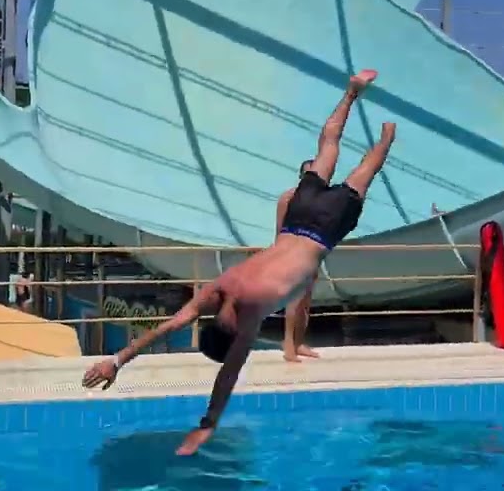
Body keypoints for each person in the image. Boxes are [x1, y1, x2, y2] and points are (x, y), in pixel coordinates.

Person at [81, 69, 396, 456]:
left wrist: (207, 425)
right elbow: (170, 325)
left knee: (365, 171)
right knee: (327, 145)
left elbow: (227, 375)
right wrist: (116, 360)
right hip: (298, 220)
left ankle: (388, 133)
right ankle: (351, 94)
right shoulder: (221, 288)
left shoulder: (250, 321)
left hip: (322, 233)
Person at [279, 160, 319, 363]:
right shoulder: (288, 198)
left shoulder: (321, 201)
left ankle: (299, 342)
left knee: (306, 302)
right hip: (292, 254)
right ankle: (288, 344)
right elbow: (280, 229)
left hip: (312, 253)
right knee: (293, 301)